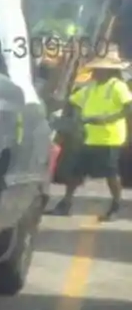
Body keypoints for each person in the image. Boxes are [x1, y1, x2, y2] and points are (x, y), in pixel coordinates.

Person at [55, 55, 132, 217]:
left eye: (97, 70)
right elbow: (73, 100)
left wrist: (107, 119)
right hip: (89, 136)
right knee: (76, 171)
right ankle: (66, 203)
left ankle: (116, 205)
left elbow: (128, 107)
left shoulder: (117, 86)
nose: (94, 72)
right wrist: (73, 118)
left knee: (111, 173)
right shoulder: (92, 87)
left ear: (107, 71)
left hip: (109, 137)